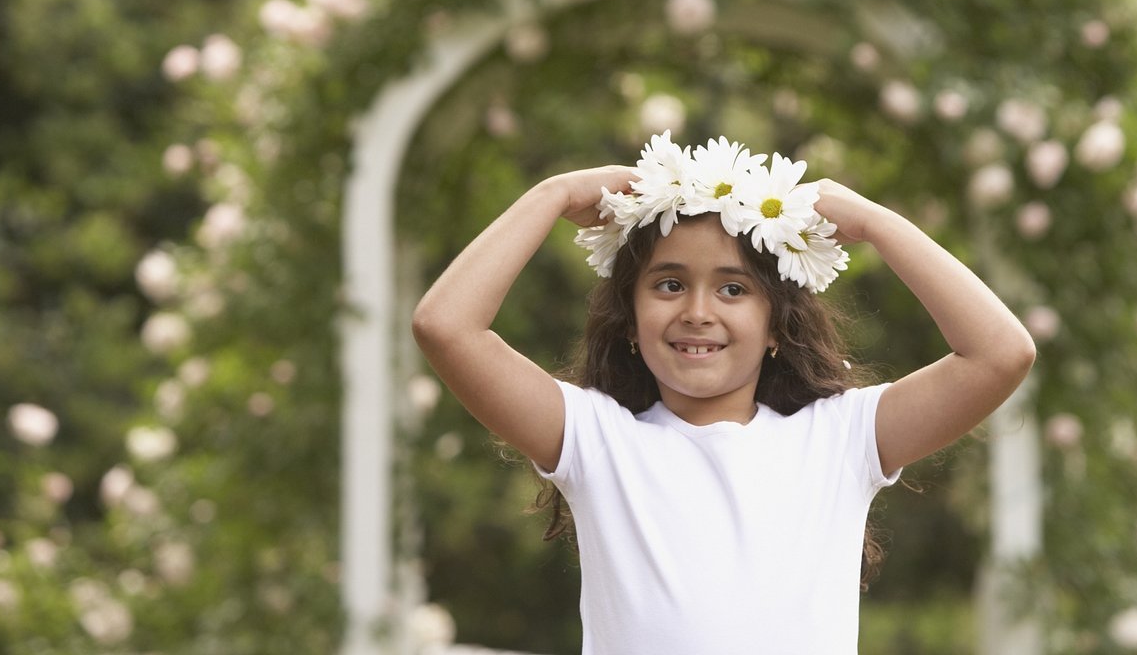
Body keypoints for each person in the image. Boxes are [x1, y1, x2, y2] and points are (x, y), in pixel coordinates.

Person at [412, 133, 1036, 654]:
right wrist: (552, 196)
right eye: (668, 285)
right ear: (630, 322)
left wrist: (876, 224)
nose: (699, 312)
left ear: (776, 327)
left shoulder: (842, 436)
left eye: (734, 289)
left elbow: (1001, 354)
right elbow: (445, 326)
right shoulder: (594, 437)